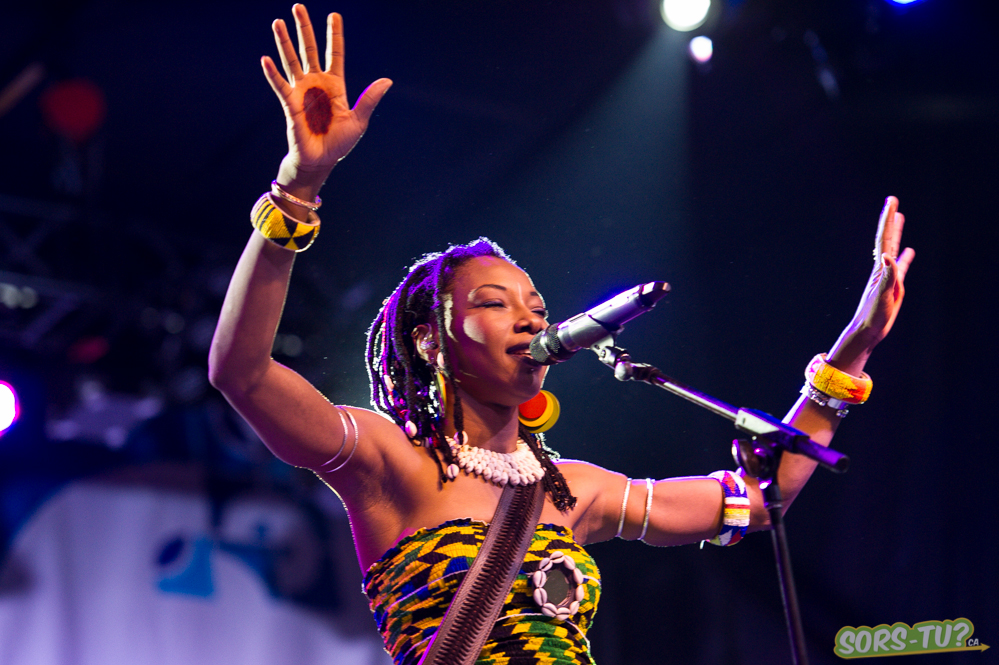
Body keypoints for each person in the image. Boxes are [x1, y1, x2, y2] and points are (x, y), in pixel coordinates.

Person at [208, 5, 915, 664]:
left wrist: (854, 347)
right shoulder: (386, 458)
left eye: (538, 306)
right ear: (428, 341)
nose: (531, 319)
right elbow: (242, 373)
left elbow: (762, 499)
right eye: (494, 303)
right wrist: (298, 186)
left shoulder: (578, 490)